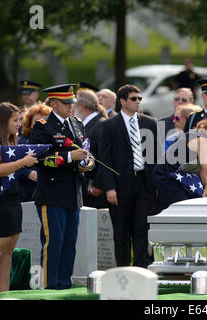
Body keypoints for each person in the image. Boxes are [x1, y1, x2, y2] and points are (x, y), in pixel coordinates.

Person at [29, 83, 93, 289]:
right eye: (66, 103)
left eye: (72, 102)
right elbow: (40, 159)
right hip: (52, 192)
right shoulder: (42, 125)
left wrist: (86, 163)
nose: (71, 106)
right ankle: (49, 287)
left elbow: (84, 150)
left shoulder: (76, 123)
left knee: (69, 245)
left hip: (73, 192)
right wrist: (68, 156)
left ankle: (64, 285)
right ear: (54, 103)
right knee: (53, 244)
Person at [97, 84, 158, 268]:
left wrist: (155, 185)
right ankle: (123, 270)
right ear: (122, 101)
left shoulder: (149, 123)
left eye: (140, 98)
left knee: (141, 230)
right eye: (134, 98)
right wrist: (109, 187)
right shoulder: (108, 125)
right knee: (121, 232)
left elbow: (155, 156)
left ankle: (141, 271)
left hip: (143, 183)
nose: (138, 101)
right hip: (120, 184)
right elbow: (104, 159)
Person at [0, 102, 38, 293]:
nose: (19, 124)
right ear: (3, 120)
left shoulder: (10, 141)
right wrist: (22, 162)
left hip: (13, 200)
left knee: (8, 253)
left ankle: (3, 294)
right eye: (15, 120)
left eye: (20, 120)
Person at [73, 89, 108, 209]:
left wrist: (98, 185)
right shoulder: (84, 125)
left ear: (82, 106)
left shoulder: (101, 124)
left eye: (74, 105)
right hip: (85, 186)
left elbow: (106, 158)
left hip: (95, 189)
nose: (72, 108)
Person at [17, 103, 52, 202]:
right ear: (29, 122)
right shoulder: (20, 142)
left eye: (44, 121)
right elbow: (10, 165)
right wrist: (27, 173)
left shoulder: (54, 144)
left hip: (48, 194)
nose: (40, 124)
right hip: (25, 193)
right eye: (36, 121)